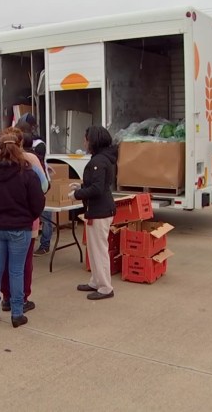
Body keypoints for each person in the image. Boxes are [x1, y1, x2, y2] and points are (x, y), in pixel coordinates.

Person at [0, 133, 45, 328]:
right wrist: (27, 217)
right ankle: (17, 313)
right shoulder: (27, 172)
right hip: (19, 228)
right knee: (16, 271)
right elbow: (38, 202)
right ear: (18, 146)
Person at [0, 131, 48, 314]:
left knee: (3, 261)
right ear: (21, 143)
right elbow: (43, 187)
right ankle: (22, 299)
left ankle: (6, 298)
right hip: (26, 221)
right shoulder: (31, 160)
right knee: (24, 263)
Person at [71, 126, 118, 300]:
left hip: (100, 210)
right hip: (98, 210)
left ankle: (105, 287)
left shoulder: (99, 161)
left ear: (94, 141)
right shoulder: (102, 158)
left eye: (86, 139)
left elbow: (98, 188)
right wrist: (81, 187)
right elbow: (98, 184)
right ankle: (96, 281)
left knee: (99, 250)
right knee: (93, 248)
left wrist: (78, 194)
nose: (85, 142)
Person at [16, 114, 53, 257]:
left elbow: (38, 163)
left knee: (46, 214)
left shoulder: (38, 144)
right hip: (31, 183)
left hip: (41, 181)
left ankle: (45, 244)